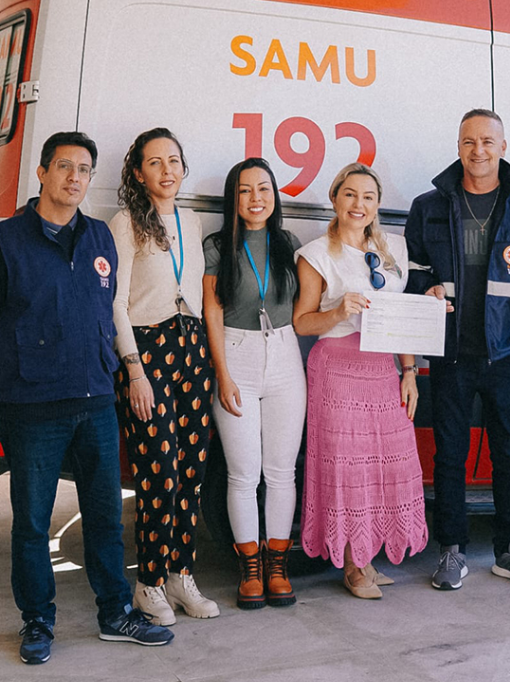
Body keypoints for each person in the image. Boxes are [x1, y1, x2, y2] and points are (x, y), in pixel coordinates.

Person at [0, 131, 173, 665]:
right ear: (43, 173)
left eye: (84, 169)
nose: (75, 178)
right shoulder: (5, 241)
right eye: (64, 167)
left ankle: (114, 613)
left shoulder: (100, 236)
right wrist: (17, 374)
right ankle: (37, 621)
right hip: (33, 408)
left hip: (97, 400)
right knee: (32, 522)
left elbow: (105, 313)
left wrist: (107, 366)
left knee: (104, 515)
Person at [404, 109, 510, 590]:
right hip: (450, 354)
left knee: (509, 454)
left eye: (488, 141)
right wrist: (425, 289)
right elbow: (413, 274)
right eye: (469, 141)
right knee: (450, 454)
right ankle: (452, 550)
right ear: (458, 146)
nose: (479, 151)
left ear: (503, 147)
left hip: (507, 354)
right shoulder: (429, 205)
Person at [293, 162, 429, 599]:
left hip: (382, 370)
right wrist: (339, 311)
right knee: (348, 470)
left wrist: (409, 371)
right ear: (335, 199)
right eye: (350, 194)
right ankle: (353, 564)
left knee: (387, 464)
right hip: (337, 369)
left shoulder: (394, 251)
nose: (359, 204)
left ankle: (368, 553)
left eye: (368, 197)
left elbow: (400, 319)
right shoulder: (316, 254)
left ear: (377, 205)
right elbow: (301, 322)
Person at [109, 128, 219, 624]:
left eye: (174, 160)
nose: (167, 171)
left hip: (191, 345)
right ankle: (148, 583)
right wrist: (133, 369)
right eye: (155, 162)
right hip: (147, 352)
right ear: (139, 172)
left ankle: (180, 574)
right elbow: (115, 303)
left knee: (192, 473)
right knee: (160, 473)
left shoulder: (191, 221)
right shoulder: (126, 223)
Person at [203, 158, 305, 609]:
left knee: (281, 471)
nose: (256, 198)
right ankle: (249, 570)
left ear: (275, 195)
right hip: (236, 356)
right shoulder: (218, 245)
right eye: (245, 190)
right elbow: (212, 311)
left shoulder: (288, 243)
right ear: (234, 197)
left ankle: (277, 564)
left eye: (264, 189)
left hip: (284, 355)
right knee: (243, 473)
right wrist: (222, 374)